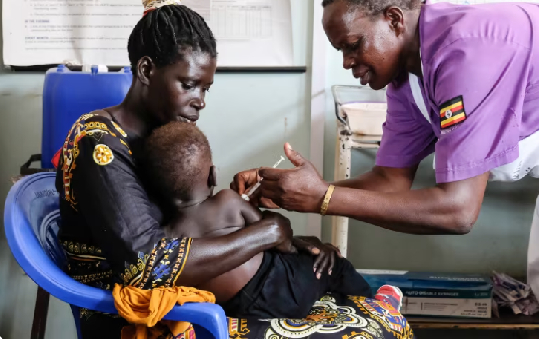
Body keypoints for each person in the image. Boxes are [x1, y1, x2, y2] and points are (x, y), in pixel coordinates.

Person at [232, 0, 539, 339]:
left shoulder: (465, 53)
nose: (347, 63)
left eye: (353, 45)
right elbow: (389, 184)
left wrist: (322, 197)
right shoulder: (407, 81)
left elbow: (458, 211)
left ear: (394, 19)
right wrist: (296, 192)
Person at [55, 0, 341, 339]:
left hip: (189, 301)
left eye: (205, 89)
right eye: (189, 85)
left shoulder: (161, 134)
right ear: (145, 70)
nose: (200, 102)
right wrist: (267, 233)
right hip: (129, 318)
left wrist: (279, 239)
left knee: (335, 291)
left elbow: (186, 223)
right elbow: (145, 266)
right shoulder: (98, 145)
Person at [140, 121, 373, 319]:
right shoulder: (227, 201)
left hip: (240, 307)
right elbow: (279, 238)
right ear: (213, 175)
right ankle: (375, 303)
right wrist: (294, 249)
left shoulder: (167, 235)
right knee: (335, 265)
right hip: (284, 287)